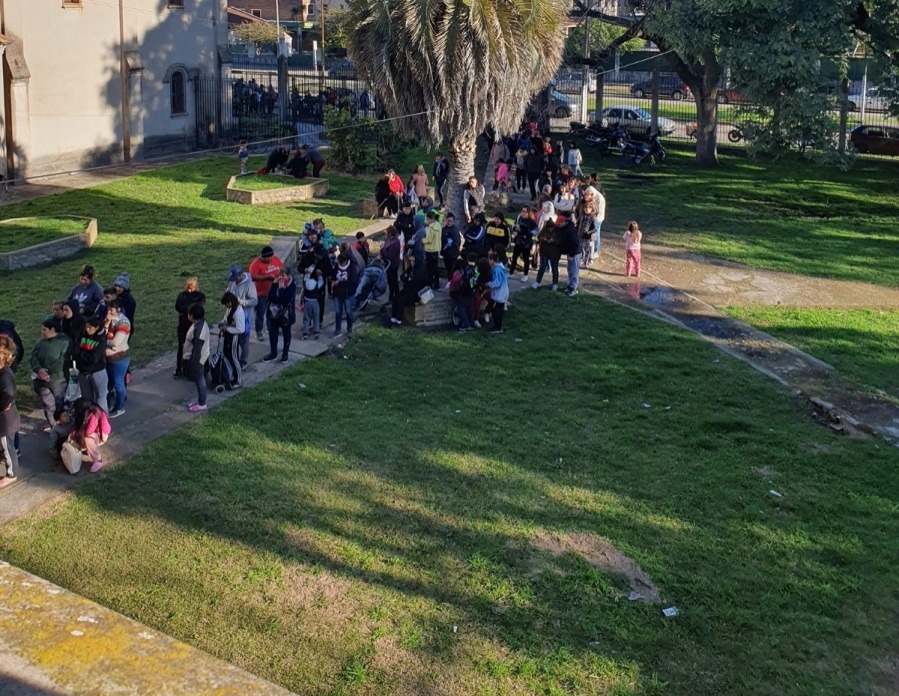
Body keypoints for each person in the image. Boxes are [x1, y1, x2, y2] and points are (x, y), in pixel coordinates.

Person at [30, 319, 71, 431]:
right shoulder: (40, 342)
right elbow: (33, 357)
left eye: (44, 329)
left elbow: (62, 362)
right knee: (48, 406)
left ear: (53, 330)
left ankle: (61, 423)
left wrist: (47, 372)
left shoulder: (64, 342)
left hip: (57, 380)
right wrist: (38, 369)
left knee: (59, 404)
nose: (42, 332)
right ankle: (54, 426)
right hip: (41, 382)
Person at [74, 317, 109, 414]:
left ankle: (103, 422)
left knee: (100, 399)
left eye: (90, 327)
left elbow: (94, 358)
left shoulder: (101, 339)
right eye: (86, 327)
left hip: (97, 372)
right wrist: (83, 355)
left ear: (97, 327)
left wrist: (80, 355)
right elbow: (75, 350)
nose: (87, 329)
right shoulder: (83, 334)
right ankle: (90, 421)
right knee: (87, 400)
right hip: (83, 371)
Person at [249, 245, 284, 342]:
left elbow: (282, 269)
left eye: (270, 257)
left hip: (273, 291)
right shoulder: (255, 264)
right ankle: (258, 331)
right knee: (260, 313)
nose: (269, 259)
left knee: (272, 311)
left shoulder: (275, 260)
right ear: (262, 257)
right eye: (267, 258)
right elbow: (252, 277)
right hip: (261, 294)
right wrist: (267, 277)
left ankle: (270, 328)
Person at [225, 265, 258, 368]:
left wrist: (241, 301)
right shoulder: (232, 282)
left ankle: (243, 360)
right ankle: (234, 358)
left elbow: (254, 301)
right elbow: (228, 291)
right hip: (233, 313)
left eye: (235, 279)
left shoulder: (249, 285)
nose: (234, 281)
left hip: (245, 315)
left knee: (244, 339)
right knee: (235, 338)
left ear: (240, 276)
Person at [263, 266, 296, 363]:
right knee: (273, 334)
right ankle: (273, 353)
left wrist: (281, 289)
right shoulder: (275, 283)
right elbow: (270, 297)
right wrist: (274, 286)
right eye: (280, 275)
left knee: (286, 334)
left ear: (288, 276)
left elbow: (286, 300)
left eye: (283, 275)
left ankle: (285, 354)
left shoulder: (291, 286)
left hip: (286, 315)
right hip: (273, 314)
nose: (281, 278)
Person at [174, 277, 206, 379]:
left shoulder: (198, 296)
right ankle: (180, 368)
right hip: (184, 325)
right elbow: (177, 306)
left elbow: (197, 307)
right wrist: (189, 309)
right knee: (182, 347)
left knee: (195, 347)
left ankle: (192, 369)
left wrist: (185, 310)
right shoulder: (183, 295)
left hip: (193, 325)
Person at [104, 300, 131, 418]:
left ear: (118, 309)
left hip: (119, 358)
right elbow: (101, 333)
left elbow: (116, 342)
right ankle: (109, 404)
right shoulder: (108, 319)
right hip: (108, 357)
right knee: (108, 383)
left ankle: (120, 407)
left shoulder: (123, 322)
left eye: (111, 309)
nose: (109, 311)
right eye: (108, 308)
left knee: (118, 383)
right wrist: (106, 324)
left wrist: (103, 341)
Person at [71, 398, 111, 473]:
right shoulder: (88, 411)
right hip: (95, 433)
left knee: (87, 439)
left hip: (101, 435)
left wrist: (75, 433)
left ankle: (98, 460)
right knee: (80, 436)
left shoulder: (94, 414)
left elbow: (88, 431)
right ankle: (88, 449)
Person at [183, 303, 210, 413]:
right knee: (200, 379)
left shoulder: (198, 330)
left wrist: (192, 362)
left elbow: (197, 350)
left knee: (200, 380)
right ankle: (200, 401)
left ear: (192, 315)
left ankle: (202, 403)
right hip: (201, 356)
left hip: (197, 359)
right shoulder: (200, 324)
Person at [0, 335, 19, 489]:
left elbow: (9, 393)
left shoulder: (6, 375)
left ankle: (11, 474)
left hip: (6, 419)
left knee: (7, 446)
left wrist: (3, 404)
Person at [389, 254, 427, 326]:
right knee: (395, 298)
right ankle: (393, 318)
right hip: (408, 289)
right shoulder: (410, 269)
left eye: (413, 261)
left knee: (401, 301)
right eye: (411, 261)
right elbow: (403, 276)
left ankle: (398, 320)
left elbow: (415, 282)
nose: (412, 263)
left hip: (416, 293)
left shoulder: (420, 271)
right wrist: (407, 279)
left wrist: (408, 279)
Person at [218, 292, 245, 387]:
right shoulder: (231, 309)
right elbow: (227, 318)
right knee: (228, 356)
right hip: (229, 336)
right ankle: (232, 375)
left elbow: (241, 329)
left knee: (234, 357)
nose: (226, 306)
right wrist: (223, 323)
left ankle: (239, 379)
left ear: (230, 302)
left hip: (234, 337)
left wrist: (227, 328)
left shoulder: (238, 312)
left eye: (226, 304)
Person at [331, 254, 358, 339]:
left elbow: (353, 281)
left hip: (348, 294)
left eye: (342, 263)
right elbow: (333, 275)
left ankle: (349, 329)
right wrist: (332, 281)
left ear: (346, 261)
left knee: (348, 312)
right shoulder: (336, 265)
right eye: (339, 263)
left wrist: (340, 283)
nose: (340, 264)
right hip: (337, 293)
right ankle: (337, 330)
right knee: (338, 312)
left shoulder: (352, 267)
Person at [532, 219, 563, 291]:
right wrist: (544, 239)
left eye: (551, 228)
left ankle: (555, 284)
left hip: (554, 252)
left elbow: (561, 241)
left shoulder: (558, 230)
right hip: (544, 251)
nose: (550, 229)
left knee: (554, 268)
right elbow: (539, 237)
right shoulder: (544, 229)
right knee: (542, 267)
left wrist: (553, 241)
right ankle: (538, 282)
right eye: (549, 228)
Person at [510, 207, 537, 281]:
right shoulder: (520, 219)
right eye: (522, 211)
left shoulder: (532, 221)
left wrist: (528, 232)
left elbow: (535, 231)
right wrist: (515, 232)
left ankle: (525, 275)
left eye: (525, 211)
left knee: (526, 259)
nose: (523, 213)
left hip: (526, 243)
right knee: (514, 257)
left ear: (528, 212)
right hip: (518, 241)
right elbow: (516, 227)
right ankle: (511, 273)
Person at [486, 251, 509, 334]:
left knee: (496, 311)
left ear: (492, 260)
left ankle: (497, 327)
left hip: (500, 293)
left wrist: (488, 284)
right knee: (498, 310)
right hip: (503, 292)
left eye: (489, 260)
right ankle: (498, 327)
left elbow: (497, 283)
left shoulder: (497, 270)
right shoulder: (501, 268)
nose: (488, 262)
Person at [454, 253, 478, 332]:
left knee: (461, 307)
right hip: (472, 291)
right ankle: (471, 323)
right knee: (470, 308)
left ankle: (465, 324)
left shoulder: (466, 270)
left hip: (465, 291)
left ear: (467, 260)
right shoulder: (476, 270)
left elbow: (463, 281)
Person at [301, 262, 324, 340]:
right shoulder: (317, 283)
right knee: (316, 317)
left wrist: (307, 271)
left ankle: (305, 333)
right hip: (315, 302)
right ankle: (316, 332)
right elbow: (321, 280)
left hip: (307, 302)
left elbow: (306, 276)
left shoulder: (306, 281)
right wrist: (319, 275)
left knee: (306, 318)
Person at [559, 214, 581, 296]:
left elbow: (575, 244)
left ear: (564, 222)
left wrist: (571, 254)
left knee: (574, 270)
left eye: (559, 223)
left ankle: (573, 288)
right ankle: (570, 285)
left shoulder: (570, 231)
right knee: (570, 269)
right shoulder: (566, 228)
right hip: (571, 252)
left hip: (575, 252)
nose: (558, 225)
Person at [379, 227, 402, 301]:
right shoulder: (388, 239)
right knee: (390, 281)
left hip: (392, 265)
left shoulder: (395, 242)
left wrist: (382, 249)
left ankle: (397, 296)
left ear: (390, 233)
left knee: (394, 281)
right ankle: (391, 296)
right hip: (387, 264)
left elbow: (390, 256)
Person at [577, 196, 599, 267]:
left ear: (591, 209)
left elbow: (595, 228)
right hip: (580, 235)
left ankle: (586, 262)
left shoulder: (592, 217)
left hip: (587, 237)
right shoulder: (582, 216)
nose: (586, 209)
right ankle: (582, 260)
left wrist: (588, 232)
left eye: (588, 208)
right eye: (585, 208)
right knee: (581, 248)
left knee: (587, 250)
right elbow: (578, 224)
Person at [440, 213, 461, 285]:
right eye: (448, 221)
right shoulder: (443, 229)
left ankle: (451, 283)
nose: (449, 222)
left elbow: (457, 242)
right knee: (448, 268)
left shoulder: (455, 230)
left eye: (451, 221)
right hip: (446, 253)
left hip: (452, 254)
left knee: (452, 269)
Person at [424, 210, 442, 290]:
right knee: (435, 268)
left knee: (430, 269)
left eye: (427, 219)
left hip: (430, 250)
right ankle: (437, 284)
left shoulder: (431, 227)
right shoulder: (438, 225)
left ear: (431, 219)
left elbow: (429, 240)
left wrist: (422, 240)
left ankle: (430, 283)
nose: (426, 221)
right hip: (437, 248)